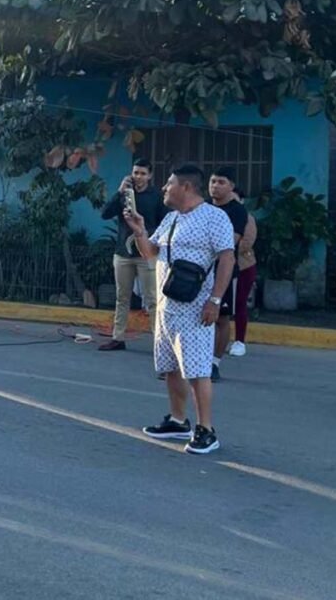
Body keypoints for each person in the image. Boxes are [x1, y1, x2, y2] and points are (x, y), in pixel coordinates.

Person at [125, 163, 235, 454]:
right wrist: (139, 231)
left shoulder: (215, 217)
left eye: (169, 183)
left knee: (197, 370)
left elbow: (227, 258)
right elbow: (151, 253)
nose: (164, 188)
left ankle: (206, 429)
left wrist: (215, 300)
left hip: (197, 306)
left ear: (185, 187)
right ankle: (177, 420)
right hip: (167, 307)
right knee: (171, 367)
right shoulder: (172, 219)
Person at [98, 159, 166, 351]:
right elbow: (105, 214)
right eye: (136, 172)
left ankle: (159, 342)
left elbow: (165, 222)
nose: (138, 177)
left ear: (150, 176)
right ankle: (118, 337)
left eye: (143, 173)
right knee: (122, 297)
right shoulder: (125, 194)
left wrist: (146, 233)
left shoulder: (156, 196)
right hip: (123, 253)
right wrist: (119, 192)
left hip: (146, 254)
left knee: (152, 299)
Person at [208, 167, 249, 382]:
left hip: (223, 271)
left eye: (221, 182)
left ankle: (214, 363)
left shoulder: (237, 211)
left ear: (231, 186)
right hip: (199, 273)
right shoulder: (203, 207)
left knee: (221, 318)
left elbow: (230, 242)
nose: (215, 186)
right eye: (213, 181)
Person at [229, 190, 258, 357]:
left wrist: (223, 250)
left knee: (239, 303)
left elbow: (246, 243)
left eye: (234, 199)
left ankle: (239, 341)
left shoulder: (248, 218)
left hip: (243, 266)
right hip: (219, 265)